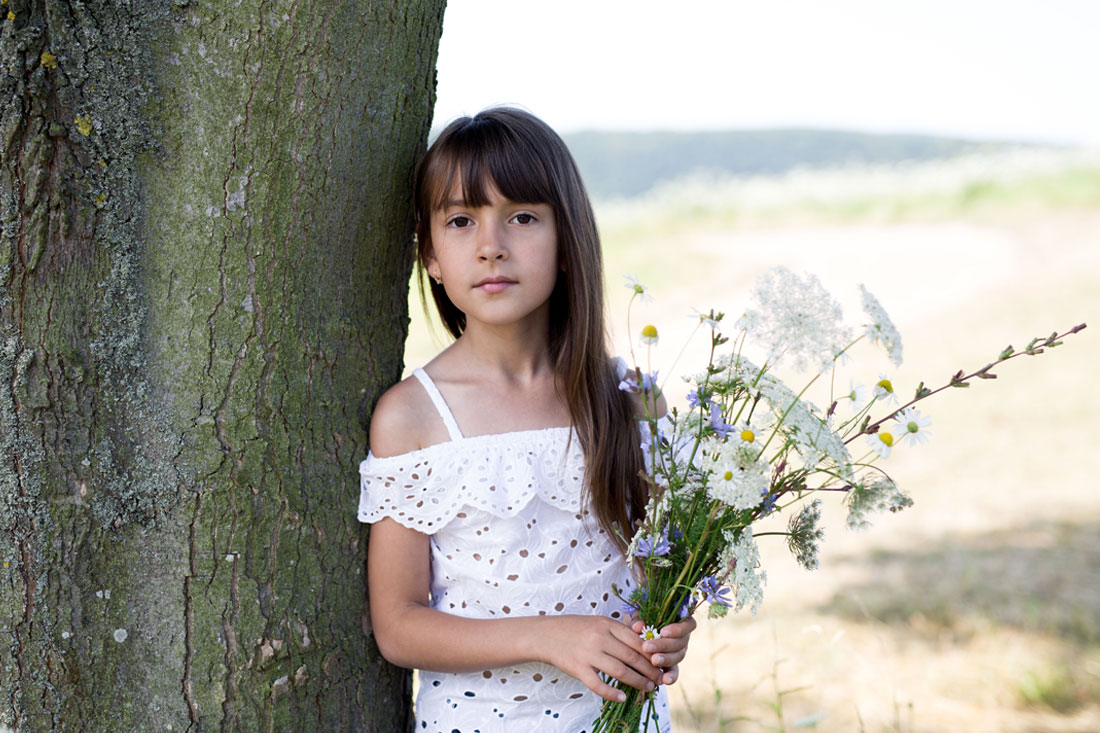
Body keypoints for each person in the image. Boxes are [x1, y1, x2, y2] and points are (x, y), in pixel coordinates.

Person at [359, 107, 695, 732]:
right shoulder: (413, 416)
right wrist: (552, 638)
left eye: (522, 217)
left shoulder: (629, 398)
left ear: (567, 242)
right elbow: (400, 626)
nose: (491, 245)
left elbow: (658, 575)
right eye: (461, 221)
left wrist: (670, 628)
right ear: (429, 253)